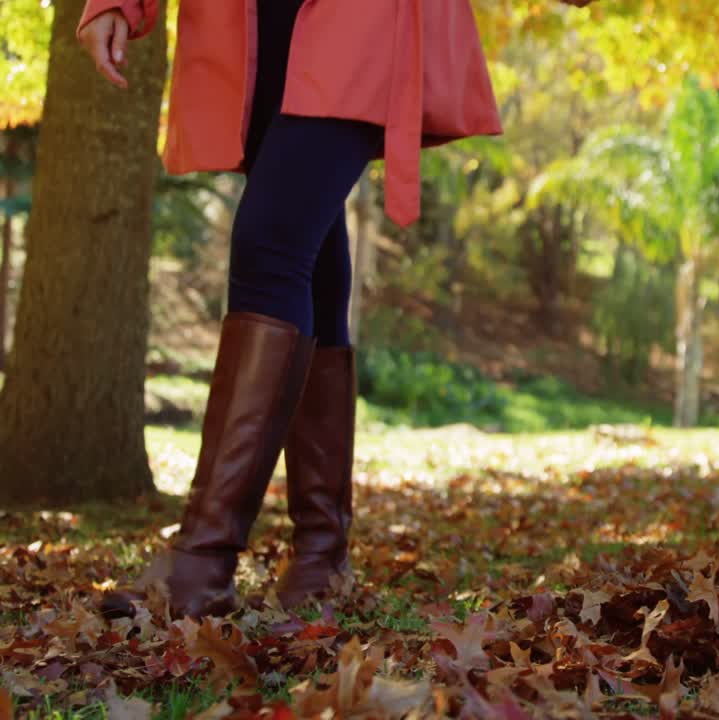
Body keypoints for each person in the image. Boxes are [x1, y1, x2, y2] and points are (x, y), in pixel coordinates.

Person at [79, 0, 590, 619]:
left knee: (269, 244)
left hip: (360, 20)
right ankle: (322, 554)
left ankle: (203, 563)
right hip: (255, 22)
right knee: (308, 244)